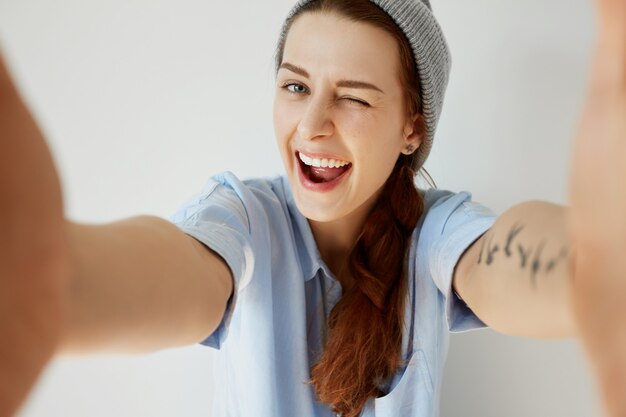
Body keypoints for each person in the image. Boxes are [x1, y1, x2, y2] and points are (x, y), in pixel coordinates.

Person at [0, 0, 624, 416]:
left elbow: (505, 259)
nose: (312, 125)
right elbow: (173, 269)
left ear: (412, 126)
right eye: (296, 86)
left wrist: (595, 266)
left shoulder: (434, 230)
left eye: (352, 97)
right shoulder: (245, 219)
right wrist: (52, 280)